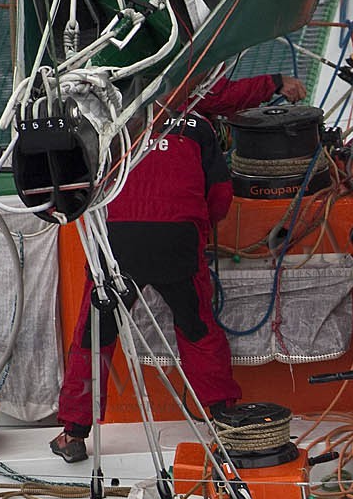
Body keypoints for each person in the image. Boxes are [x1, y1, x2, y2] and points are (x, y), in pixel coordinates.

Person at [50, 95, 243, 462]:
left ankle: (73, 433)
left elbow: (74, 187)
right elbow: (220, 195)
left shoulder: (105, 126)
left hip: (118, 241)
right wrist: (198, 226)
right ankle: (223, 417)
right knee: (198, 328)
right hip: (178, 240)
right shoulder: (198, 126)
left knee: (95, 337)